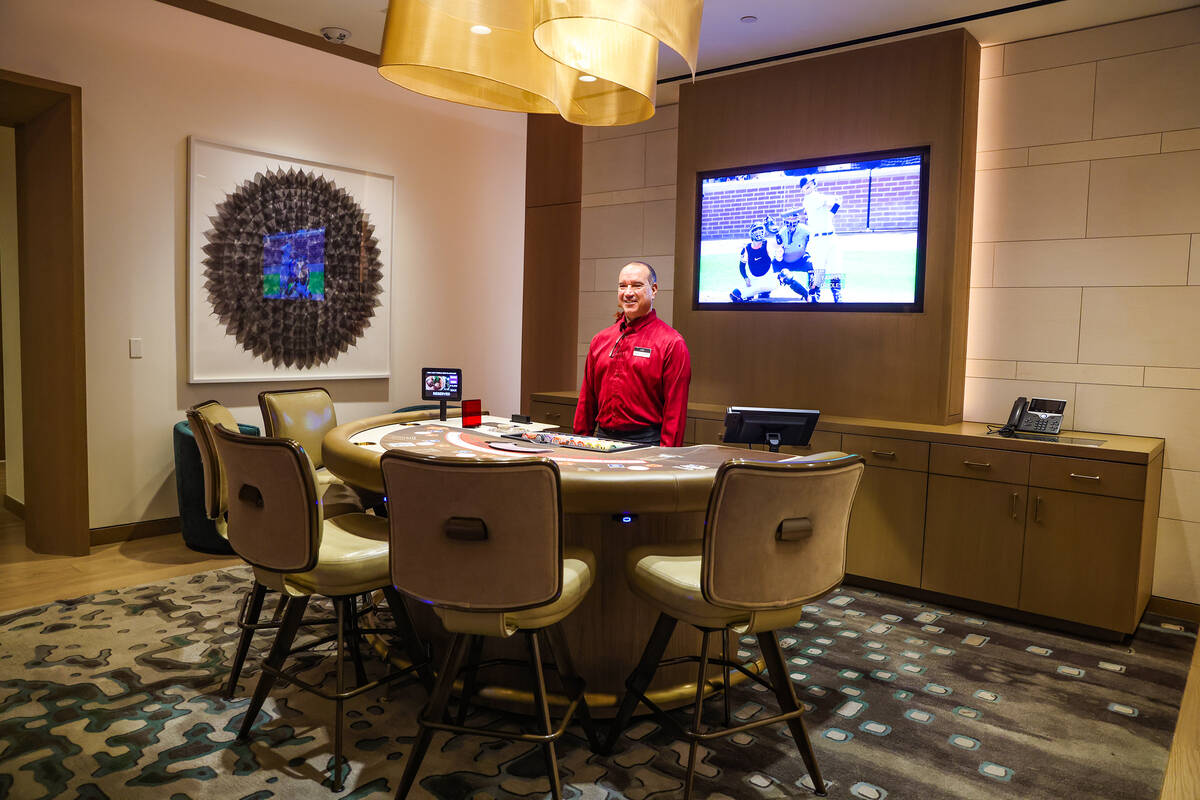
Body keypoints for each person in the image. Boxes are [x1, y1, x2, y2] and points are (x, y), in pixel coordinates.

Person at [574, 261, 691, 447]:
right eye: (622, 286)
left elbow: (675, 411)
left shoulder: (671, 343)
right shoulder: (601, 340)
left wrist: (668, 458)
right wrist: (579, 444)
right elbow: (587, 400)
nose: (628, 293)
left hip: (646, 443)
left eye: (637, 285)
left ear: (653, 290)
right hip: (601, 441)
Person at [800, 176, 844, 302]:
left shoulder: (819, 198)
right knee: (819, 270)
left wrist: (837, 204)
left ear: (814, 184)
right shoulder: (808, 200)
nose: (808, 186)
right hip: (818, 240)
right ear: (802, 190)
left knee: (836, 267)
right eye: (805, 186)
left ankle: (837, 294)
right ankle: (814, 295)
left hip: (831, 238)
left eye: (810, 184)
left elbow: (829, 216)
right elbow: (826, 201)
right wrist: (835, 199)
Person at [729, 222, 776, 303]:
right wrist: (746, 278)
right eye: (756, 230)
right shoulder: (746, 249)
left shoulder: (768, 244)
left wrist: (776, 233)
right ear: (751, 233)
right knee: (734, 295)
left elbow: (778, 258)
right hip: (755, 282)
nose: (758, 232)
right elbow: (742, 266)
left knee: (786, 275)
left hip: (770, 280)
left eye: (760, 229)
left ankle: (806, 295)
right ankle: (759, 293)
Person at [774, 208, 814, 300]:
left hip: (801, 259)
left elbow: (814, 239)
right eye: (789, 218)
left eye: (793, 218)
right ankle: (766, 290)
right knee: (774, 262)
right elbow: (779, 247)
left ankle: (813, 291)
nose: (791, 221)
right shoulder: (781, 232)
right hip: (786, 260)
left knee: (812, 264)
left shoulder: (805, 230)